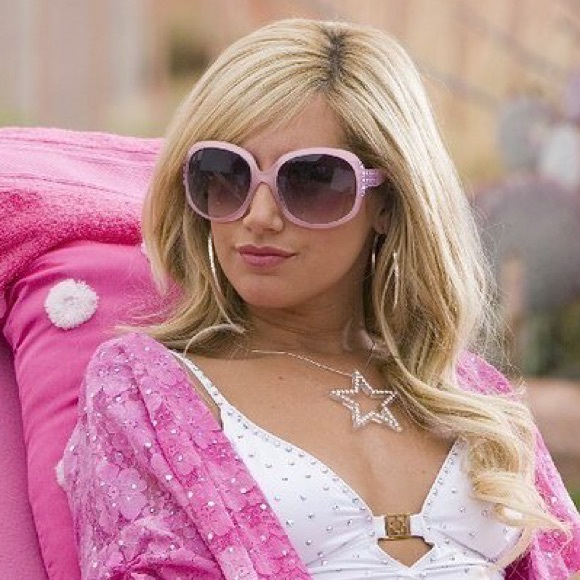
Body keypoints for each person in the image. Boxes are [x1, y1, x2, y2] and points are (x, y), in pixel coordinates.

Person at [61, 18, 580, 579]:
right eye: (226, 174)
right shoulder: (144, 390)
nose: (259, 216)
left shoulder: (474, 395)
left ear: (388, 203)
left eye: (310, 180)